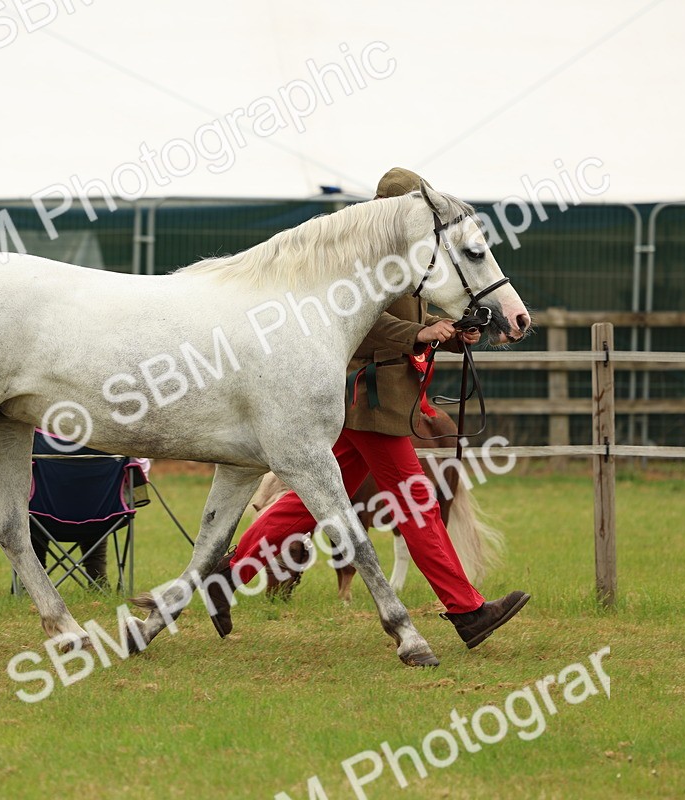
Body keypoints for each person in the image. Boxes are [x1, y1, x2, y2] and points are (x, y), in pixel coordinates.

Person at [204, 168, 530, 652]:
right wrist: (419, 334)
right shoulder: (366, 263)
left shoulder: (409, 261)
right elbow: (367, 324)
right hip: (368, 400)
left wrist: (449, 330)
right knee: (418, 507)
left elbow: (414, 320)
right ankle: (468, 611)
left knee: (304, 505)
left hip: (381, 400)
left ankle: (228, 576)